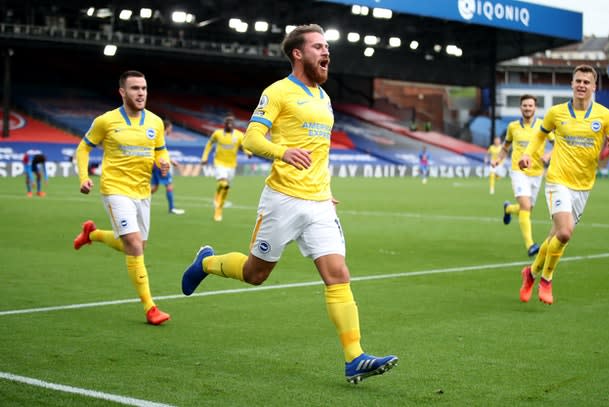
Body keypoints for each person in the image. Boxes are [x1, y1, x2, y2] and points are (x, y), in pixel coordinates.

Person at [181, 24, 397, 384]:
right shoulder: (278, 91)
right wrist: (282, 151)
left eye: (327, 47)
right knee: (255, 274)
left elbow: (320, 154)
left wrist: (325, 189)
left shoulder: (324, 99)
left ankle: (354, 357)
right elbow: (251, 139)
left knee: (338, 274)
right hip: (282, 200)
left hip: (318, 203)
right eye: (318, 47)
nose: (326, 52)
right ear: (298, 53)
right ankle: (206, 262)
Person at [72, 70, 171, 325]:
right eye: (135, 88)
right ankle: (150, 308)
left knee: (135, 245)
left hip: (142, 192)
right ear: (122, 92)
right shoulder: (106, 121)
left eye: (144, 88)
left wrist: (164, 163)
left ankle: (91, 234)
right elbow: (83, 148)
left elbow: (161, 151)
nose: (141, 93)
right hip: (115, 189)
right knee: (135, 245)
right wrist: (83, 176)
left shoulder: (156, 122)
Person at [518, 65, 609, 305]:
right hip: (557, 180)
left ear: (594, 86)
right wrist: (527, 154)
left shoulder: (604, 115)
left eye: (587, 82)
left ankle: (530, 273)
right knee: (565, 233)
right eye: (578, 81)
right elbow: (540, 136)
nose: (582, 85)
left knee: (555, 236)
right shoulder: (556, 113)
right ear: (572, 84)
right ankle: (546, 278)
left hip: (583, 186)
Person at [495, 95, 554, 257]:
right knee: (526, 207)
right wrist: (498, 160)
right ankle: (530, 245)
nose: (527, 108)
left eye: (530, 105)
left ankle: (508, 208)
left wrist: (548, 155)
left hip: (536, 173)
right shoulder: (513, 127)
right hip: (518, 171)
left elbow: (557, 144)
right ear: (520, 108)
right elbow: (505, 147)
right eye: (525, 105)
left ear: (535, 108)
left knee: (526, 208)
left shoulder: (543, 125)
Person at [200, 114, 249, 221]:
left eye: (232, 124)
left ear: (234, 125)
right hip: (219, 163)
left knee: (225, 188)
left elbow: (243, 146)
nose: (230, 126)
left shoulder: (239, 135)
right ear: (224, 125)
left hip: (231, 165)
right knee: (224, 183)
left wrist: (247, 153)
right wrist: (204, 157)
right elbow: (209, 144)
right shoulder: (217, 134)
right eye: (228, 124)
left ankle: (218, 198)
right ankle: (218, 211)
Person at [151, 119, 185, 215]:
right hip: (160, 165)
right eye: (171, 128)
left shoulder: (159, 136)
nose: (171, 130)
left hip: (155, 164)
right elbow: (159, 153)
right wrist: (169, 161)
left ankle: (139, 200)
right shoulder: (161, 136)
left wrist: (171, 160)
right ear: (167, 128)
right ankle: (171, 208)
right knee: (169, 185)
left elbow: (161, 152)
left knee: (154, 187)